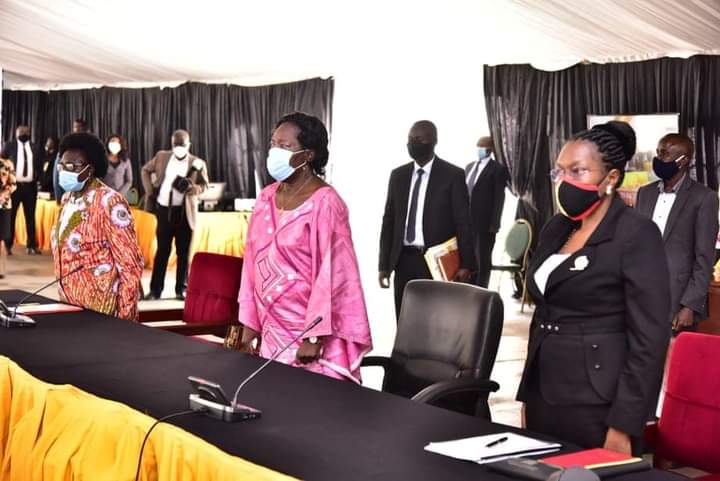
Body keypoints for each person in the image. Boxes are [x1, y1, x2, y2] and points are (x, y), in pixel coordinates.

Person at [516, 121, 671, 455]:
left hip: (598, 401)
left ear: (611, 178)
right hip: (545, 393)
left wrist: (624, 424)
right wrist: (528, 393)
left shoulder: (636, 234)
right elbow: (543, 310)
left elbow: (649, 339)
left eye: (578, 171)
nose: (565, 181)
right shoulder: (556, 228)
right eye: (559, 172)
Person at [238, 112, 372, 382]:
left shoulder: (326, 203)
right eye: (273, 143)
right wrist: (248, 323)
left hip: (307, 337)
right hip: (270, 329)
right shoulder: (266, 197)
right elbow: (251, 263)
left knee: (308, 412)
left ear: (308, 155)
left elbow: (334, 274)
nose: (274, 151)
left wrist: (314, 336)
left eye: (285, 146)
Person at [379, 120, 474, 318]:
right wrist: (384, 266)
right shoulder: (398, 175)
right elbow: (389, 221)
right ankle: (406, 350)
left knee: (434, 319)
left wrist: (466, 264)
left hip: (435, 261)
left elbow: (463, 222)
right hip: (403, 259)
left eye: (419, 139)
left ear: (433, 141)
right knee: (404, 317)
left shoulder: (452, 175)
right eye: (410, 139)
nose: (413, 143)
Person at [51, 132, 144, 321]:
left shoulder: (109, 202)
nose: (64, 171)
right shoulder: (67, 198)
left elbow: (130, 266)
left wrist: (126, 322)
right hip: (68, 304)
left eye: (72, 167)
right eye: (62, 166)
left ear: (90, 169)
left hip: (102, 312)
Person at [635, 133, 719, 333]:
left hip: (678, 302)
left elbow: (704, 258)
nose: (658, 158)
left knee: (676, 363)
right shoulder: (644, 194)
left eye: (664, 154)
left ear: (684, 160)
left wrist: (690, 305)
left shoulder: (704, 198)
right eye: (658, 152)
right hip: (641, 300)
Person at [141, 129, 208, 300]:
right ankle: (155, 291)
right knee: (162, 251)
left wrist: (194, 189)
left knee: (183, 253)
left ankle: (181, 290)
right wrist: (150, 191)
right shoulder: (162, 156)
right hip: (164, 210)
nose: (179, 148)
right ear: (172, 144)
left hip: (185, 213)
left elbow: (205, 186)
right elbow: (145, 170)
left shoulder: (197, 162)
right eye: (175, 145)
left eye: (182, 145)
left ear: (189, 145)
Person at [465, 136, 509, 287]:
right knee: (467, 258)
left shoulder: (498, 169)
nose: (479, 149)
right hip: (465, 222)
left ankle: (481, 290)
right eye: (478, 146)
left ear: (490, 150)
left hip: (484, 224)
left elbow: (499, 198)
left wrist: (494, 224)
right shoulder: (469, 167)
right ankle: (467, 288)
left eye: (482, 147)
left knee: (482, 260)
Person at [1, 125, 42, 255]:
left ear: (29, 133)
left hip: (30, 187)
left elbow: (40, 165)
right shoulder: (9, 146)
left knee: (30, 217)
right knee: (10, 217)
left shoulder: (35, 147)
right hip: (14, 187)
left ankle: (31, 246)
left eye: (26, 131)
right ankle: (8, 246)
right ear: (16, 133)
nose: (23, 133)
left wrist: (38, 178)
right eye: (21, 131)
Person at [54, 119, 90, 202]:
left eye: (79, 128)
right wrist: (58, 197)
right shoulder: (66, 147)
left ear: (86, 130)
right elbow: (57, 174)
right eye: (75, 127)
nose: (76, 129)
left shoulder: (91, 149)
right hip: (68, 194)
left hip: (88, 193)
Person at [0, 159, 17, 278]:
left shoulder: (7, 164)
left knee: (1, 240)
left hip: (3, 206)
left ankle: (1, 270)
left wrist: (2, 196)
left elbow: (13, 185)